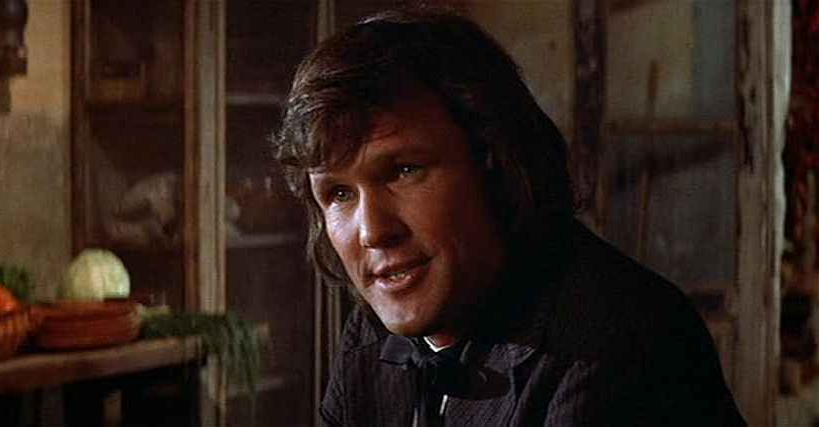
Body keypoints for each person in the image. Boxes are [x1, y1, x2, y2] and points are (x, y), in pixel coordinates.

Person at [273, 8, 745, 426]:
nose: (373, 231)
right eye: (338, 194)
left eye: (404, 170)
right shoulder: (372, 336)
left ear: (494, 161)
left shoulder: (616, 344)